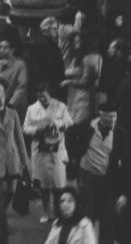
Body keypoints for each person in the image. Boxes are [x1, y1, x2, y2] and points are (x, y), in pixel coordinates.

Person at [65, 102, 127, 244]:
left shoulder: (120, 134)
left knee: (108, 217)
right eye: (108, 117)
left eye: (114, 117)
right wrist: (73, 155)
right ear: (101, 117)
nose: (112, 120)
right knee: (88, 214)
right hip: (87, 177)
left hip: (107, 179)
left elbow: (123, 161)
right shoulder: (87, 127)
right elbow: (69, 133)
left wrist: (121, 189)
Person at [23, 82, 73, 222]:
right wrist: (36, 130)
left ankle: (59, 213)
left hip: (57, 149)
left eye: (44, 96)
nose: (41, 99)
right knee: (43, 185)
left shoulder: (60, 106)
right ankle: (45, 212)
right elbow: (25, 128)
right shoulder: (32, 109)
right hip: (40, 150)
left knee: (59, 185)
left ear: (49, 94)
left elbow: (69, 121)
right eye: (39, 97)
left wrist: (56, 124)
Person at [0, 77, 30, 243]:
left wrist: (25, 162)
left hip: (12, 161)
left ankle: (1, 216)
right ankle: (3, 232)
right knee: (1, 193)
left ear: (5, 94)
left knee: (10, 193)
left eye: (1, 93)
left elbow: (19, 138)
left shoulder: (12, 113)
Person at [0, 35, 28, 121]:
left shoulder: (19, 65)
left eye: (6, 47)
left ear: (12, 49)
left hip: (13, 104)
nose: (2, 50)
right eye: (0, 47)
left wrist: (11, 105)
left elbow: (21, 87)